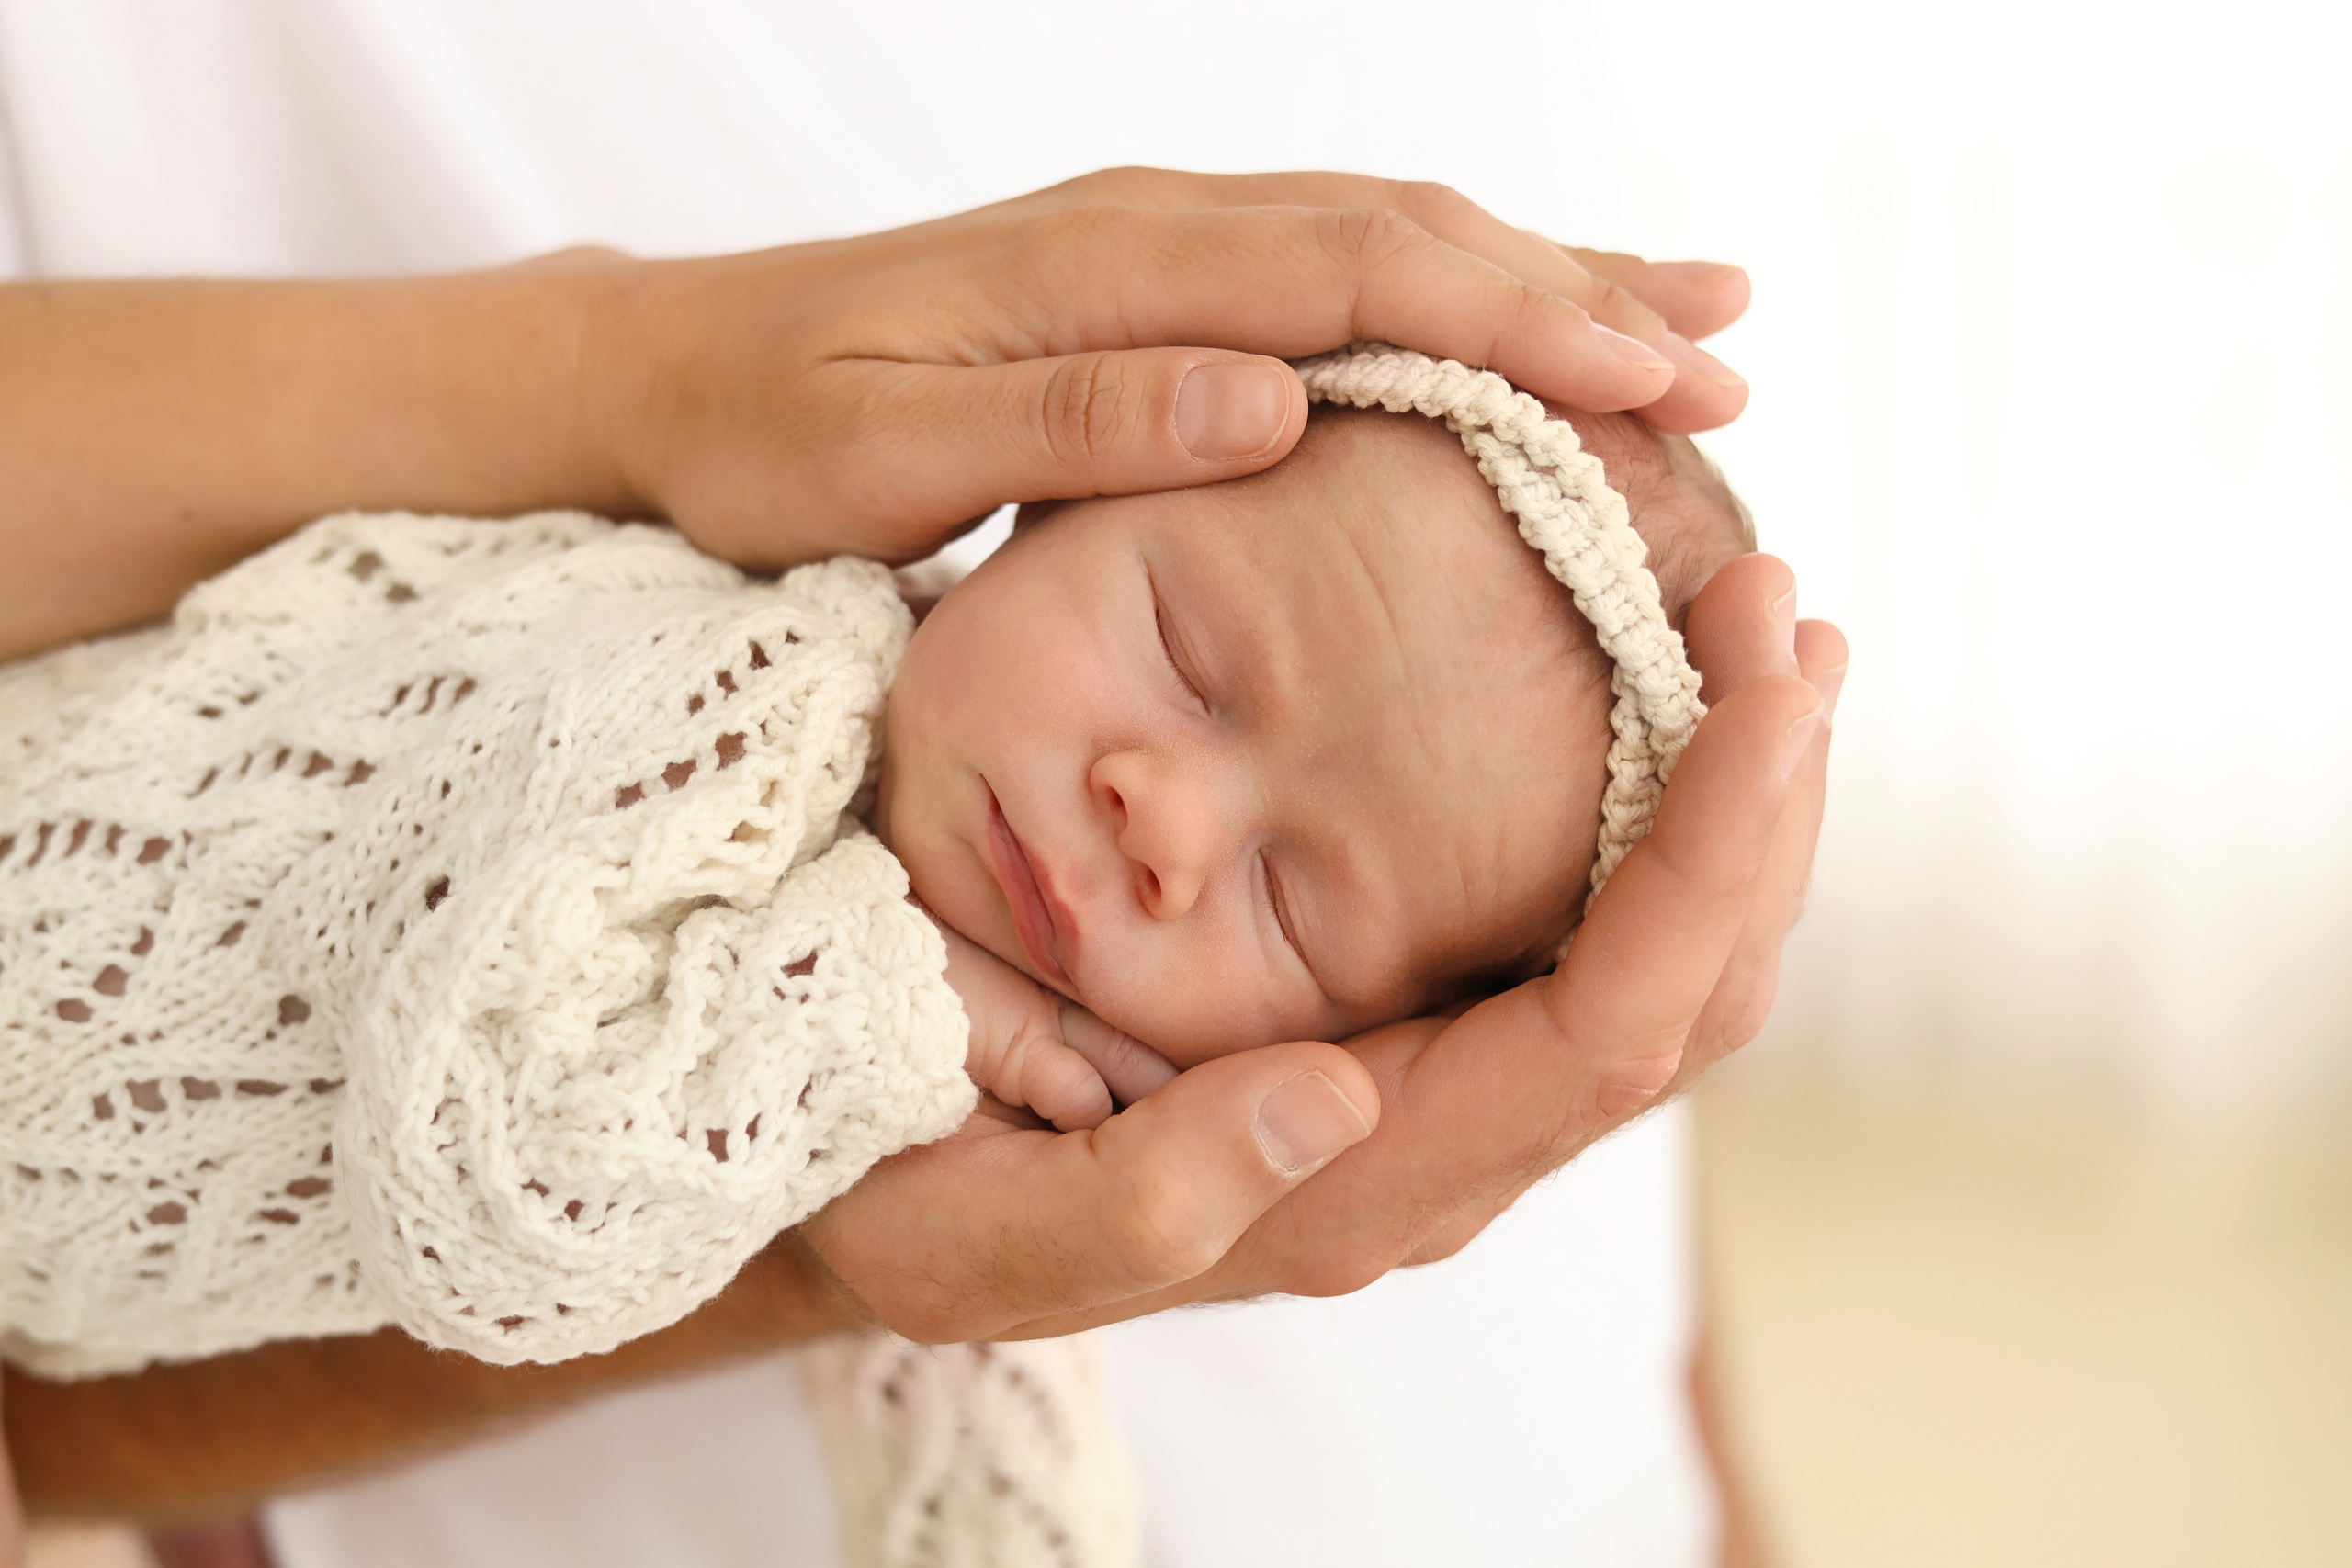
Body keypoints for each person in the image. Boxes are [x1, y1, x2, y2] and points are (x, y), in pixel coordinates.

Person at [0, 182, 1835, 1562]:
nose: (1162, 822)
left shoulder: (989, 1108)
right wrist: (875, 1022)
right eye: (1183, 654)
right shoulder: (751, 689)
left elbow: (972, 1426)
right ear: (1056, 494)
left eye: (1293, 899)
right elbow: (486, 1181)